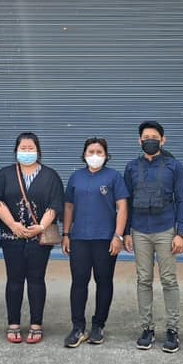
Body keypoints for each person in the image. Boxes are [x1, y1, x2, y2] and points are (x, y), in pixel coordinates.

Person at [0, 132, 64, 344]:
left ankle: (36, 324)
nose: (27, 152)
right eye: (23, 148)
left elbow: (55, 204)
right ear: (16, 150)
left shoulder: (50, 175)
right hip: (11, 237)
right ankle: (13, 323)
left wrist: (40, 226)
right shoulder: (5, 174)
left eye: (31, 148)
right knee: (14, 280)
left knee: (37, 279)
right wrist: (13, 225)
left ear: (38, 150)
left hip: (39, 239)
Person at [123, 120, 183, 353]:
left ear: (163, 140)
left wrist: (181, 233)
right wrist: (125, 233)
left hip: (165, 230)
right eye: (145, 137)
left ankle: (172, 329)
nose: (149, 140)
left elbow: (182, 200)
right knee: (143, 280)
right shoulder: (131, 167)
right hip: (139, 231)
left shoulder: (174, 166)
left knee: (169, 280)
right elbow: (126, 202)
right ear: (139, 141)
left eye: (154, 136)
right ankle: (147, 328)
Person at [61, 137, 129, 348]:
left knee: (104, 281)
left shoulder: (114, 177)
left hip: (105, 239)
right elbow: (69, 207)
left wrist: (118, 236)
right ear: (84, 155)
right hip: (79, 238)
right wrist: (65, 234)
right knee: (78, 282)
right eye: (91, 152)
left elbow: (123, 207)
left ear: (106, 156)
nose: (95, 156)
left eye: (99, 152)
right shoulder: (76, 178)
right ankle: (78, 327)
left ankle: (98, 325)